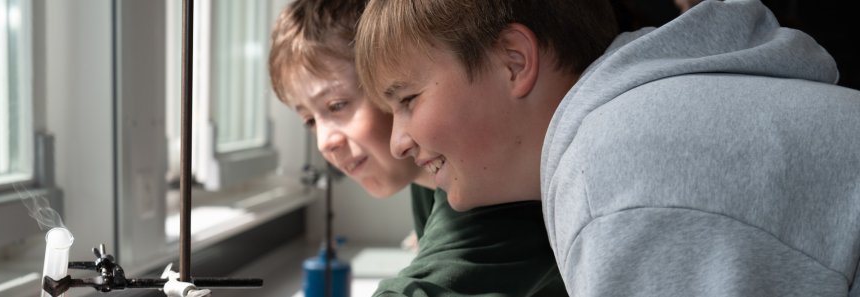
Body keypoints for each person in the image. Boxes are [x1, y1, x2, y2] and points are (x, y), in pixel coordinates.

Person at [355, 0, 860, 295]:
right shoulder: (632, 124)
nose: (399, 142)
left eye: (408, 99)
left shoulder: (613, 180)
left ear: (514, 62)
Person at [268, 0, 566, 296]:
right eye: (308, 120)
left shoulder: (480, 185)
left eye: (337, 105)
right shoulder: (430, 183)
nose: (325, 142)